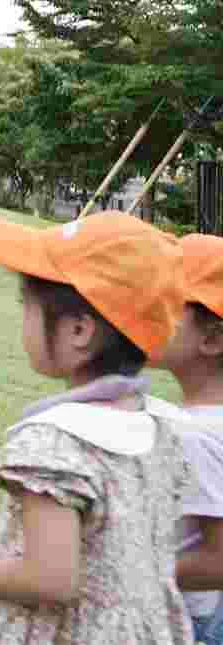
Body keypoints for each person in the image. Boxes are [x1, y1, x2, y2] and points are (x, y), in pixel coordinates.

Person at [0, 211, 192, 642]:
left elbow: (50, 578)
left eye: (26, 307)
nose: (24, 322)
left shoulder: (54, 444)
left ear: (78, 330)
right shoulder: (158, 426)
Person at [148, 234, 223, 643]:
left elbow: (219, 561)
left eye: (165, 303)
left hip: (193, 627)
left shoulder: (197, 434)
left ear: (211, 339)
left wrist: (134, 569)